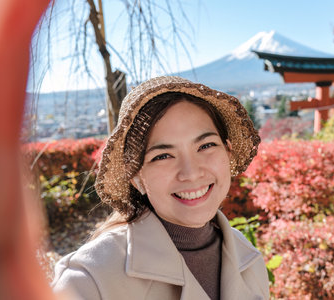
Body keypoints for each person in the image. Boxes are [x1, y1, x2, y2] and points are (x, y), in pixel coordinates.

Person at [52, 76, 269, 300]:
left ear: (228, 151)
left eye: (206, 145)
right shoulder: (90, 279)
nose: (191, 173)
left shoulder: (248, 258)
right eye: (163, 156)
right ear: (136, 177)